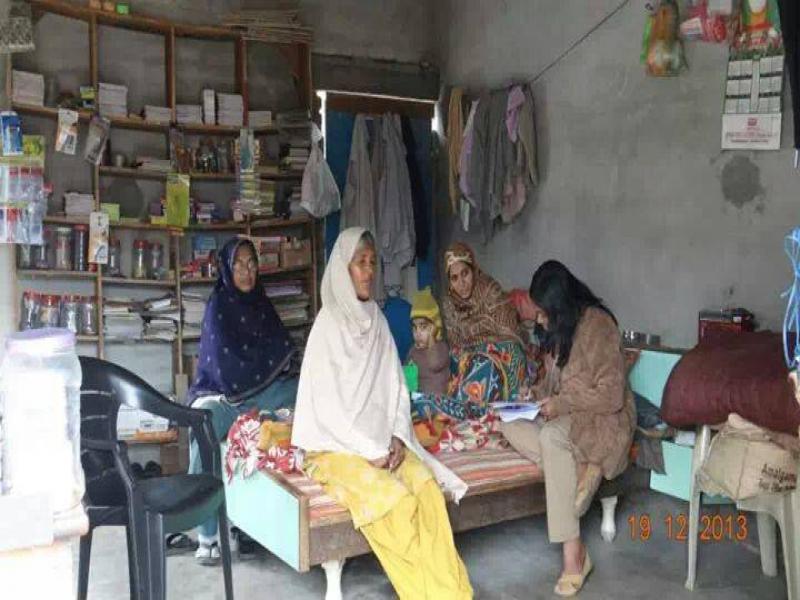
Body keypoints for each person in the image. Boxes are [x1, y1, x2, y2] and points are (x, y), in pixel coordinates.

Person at [291, 227, 473, 600]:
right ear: (343, 268)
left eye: (373, 262)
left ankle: (455, 593)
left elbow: (395, 388)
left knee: (427, 490)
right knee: (396, 502)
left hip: (380, 441)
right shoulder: (327, 326)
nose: (369, 271)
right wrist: (368, 449)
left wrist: (397, 437)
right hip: (335, 448)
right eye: (360, 262)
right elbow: (327, 410)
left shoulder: (375, 319)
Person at [500, 260, 635, 597]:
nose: (538, 319)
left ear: (559, 304)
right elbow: (555, 386)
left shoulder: (598, 325)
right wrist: (534, 396)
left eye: (542, 312)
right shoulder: (563, 329)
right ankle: (581, 468)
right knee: (509, 425)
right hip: (570, 418)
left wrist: (560, 404)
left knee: (550, 437)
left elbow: (612, 395)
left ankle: (574, 557)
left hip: (602, 421)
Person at [187, 237, 299, 565]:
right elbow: (221, 366)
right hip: (225, 395)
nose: (246, 272)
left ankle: (257, 522)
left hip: (260, 392)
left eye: (251, 265)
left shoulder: (261, 303)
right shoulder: (218, 306)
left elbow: (280, 350)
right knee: (204, 427)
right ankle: (207, 534)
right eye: (238, 265)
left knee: (302, 394)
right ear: (227, 268)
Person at [435, 241, 532, 419]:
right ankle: (468, 405)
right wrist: (470, 354)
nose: (462, 283)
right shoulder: (449, 303)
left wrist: (485, 351)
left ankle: (471, 408)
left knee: (486, 362)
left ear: (474, 269)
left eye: (465, 273)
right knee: (456, 358)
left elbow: (510, 333)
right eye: (454, 278)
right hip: (471, 355)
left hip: (503, 351)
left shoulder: (490, 291)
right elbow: (456, 344)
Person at [407, 287, 449, 395]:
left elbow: (435, 364)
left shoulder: (441, 347)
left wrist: (431, 340)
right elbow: (409, 381)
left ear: (434, 327)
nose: (418, 333)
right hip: (420, 400)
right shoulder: (413, 351)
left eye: (423, 327)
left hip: (439, 400)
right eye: (415, 327)